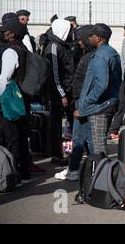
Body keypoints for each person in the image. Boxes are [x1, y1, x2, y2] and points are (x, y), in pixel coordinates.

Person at [0, 20, 31, 185]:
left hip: (11, 100)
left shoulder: (10, 52)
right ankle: (25, 173)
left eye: (6, 31)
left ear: (12, 34)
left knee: (12, 137)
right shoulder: (25, 49)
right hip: (24, 98)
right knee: (22, 136)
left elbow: (4, 79)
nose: (3, 33)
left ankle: (13, 176)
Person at [55, 25, 95, 181]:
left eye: (80, 39)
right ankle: (84, 168)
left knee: (81, 138)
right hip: (81, 102)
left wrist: (81, 103)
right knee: (83, 138)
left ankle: (75, 169)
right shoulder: (87, 55)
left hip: (83, 104)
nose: (78, 43)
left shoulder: (91, 57)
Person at [75, 24, 122, 156]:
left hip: (100, 106)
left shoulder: (101, 55)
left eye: (91, 36)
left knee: (98, 146)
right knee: (99, 143)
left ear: (98, 38)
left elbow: (101, 84)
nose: (89, 38)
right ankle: (99, 173)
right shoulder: (112, 52)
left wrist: (88, 102)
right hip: (107, 102)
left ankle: (101, 175)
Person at [42, 19, 74, 165]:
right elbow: (54, 74)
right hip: (58, 93)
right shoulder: (54, 47)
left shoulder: (62, 45)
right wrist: (61, 94)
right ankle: (56, 154)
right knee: (56, 124)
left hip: (66, 90)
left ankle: (67, 150)